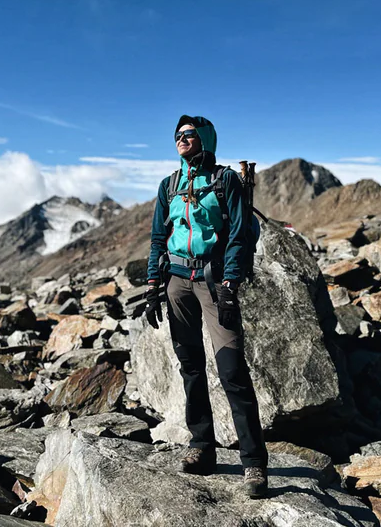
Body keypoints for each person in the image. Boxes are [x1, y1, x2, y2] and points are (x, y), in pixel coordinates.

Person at [144, 115, 268, 498]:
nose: (181, 139)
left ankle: (253, 464)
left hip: (214, 282)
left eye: (189, 135)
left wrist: (230, 283)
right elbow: (158, 237)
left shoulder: (225, 180)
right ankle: (202, 447)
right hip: (177, 281)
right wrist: (153, 284)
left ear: (206, 140)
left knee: (232, 370)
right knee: (190, 367)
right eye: (178, 135)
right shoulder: (169, 184)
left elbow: (236, 236)